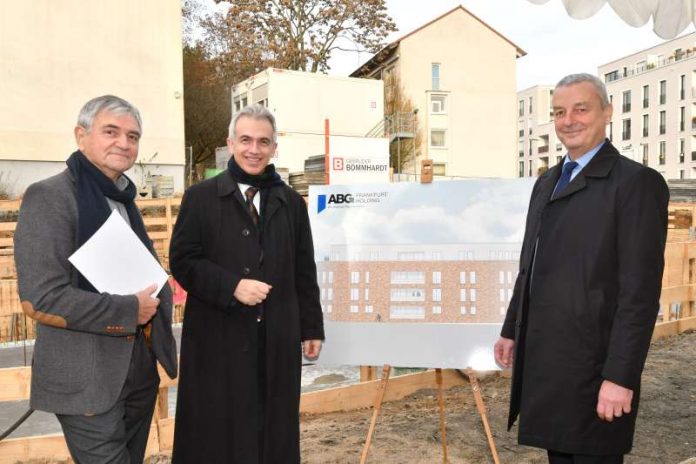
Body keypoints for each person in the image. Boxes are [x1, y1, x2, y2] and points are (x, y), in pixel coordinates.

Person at [494, 73, 669, 464]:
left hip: (596, 368)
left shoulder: (637, 183)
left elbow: (639, 293)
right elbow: (530, 265)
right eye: (559, 112)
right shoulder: (547, 182)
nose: (568, 120)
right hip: (551, 365)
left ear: (606, 113)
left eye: (580, 109)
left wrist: (621, 377)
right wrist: (511, 329)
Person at [14, 95, 178, 463]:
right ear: (81, 135)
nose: (124, 142)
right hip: (86, 377)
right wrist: (127, 310)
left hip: (137, 370)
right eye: (111, 131)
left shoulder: (125, 200)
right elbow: (40, 298)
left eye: (133, 136)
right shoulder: (50, 197)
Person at [170, 104, 324, 464]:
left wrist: (311, 326)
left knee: (272, 430)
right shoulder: (200, 198)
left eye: (263, 141)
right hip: (216, 338)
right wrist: (231, 286)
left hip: (276, 337)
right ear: (230, 143)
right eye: (246, 140)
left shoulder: (290, 203)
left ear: (274, 147)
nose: (254, 149)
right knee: (217, 432)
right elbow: (183, 261)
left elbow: (304, 267)